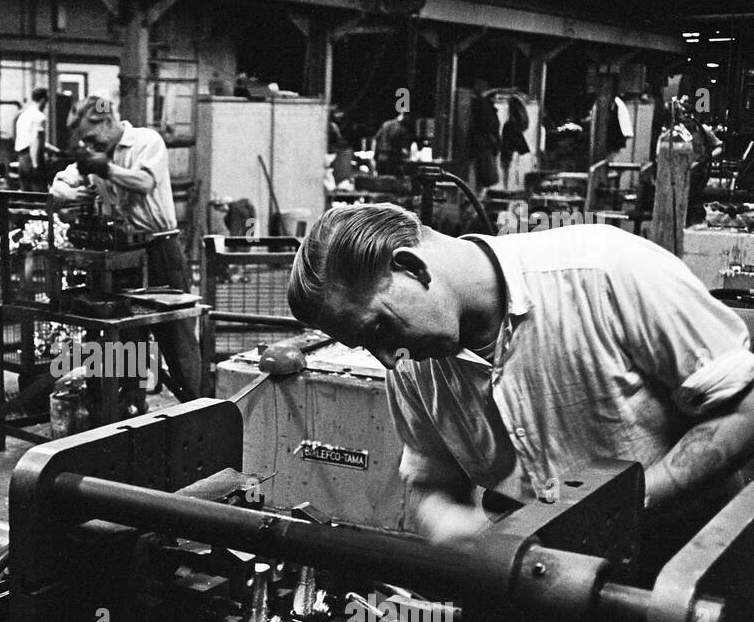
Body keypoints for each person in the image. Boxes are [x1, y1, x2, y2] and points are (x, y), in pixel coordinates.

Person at [287, 202, 754, 569]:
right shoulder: (410, 362)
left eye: (378, 331)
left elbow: (743, 411)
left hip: (683, 557)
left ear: (411, 267)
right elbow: (431, 485)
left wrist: (626, 503)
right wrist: (451, 525)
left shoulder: (608, 270)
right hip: (537, 573)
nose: (388, 360)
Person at [49, 96, 204, 403]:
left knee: (176, 334)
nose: (89, 144)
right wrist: (71, 190)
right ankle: (132, 406)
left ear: (106, 122)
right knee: (129, 337)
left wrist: (106, 170)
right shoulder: (97, 154)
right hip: (124, 257)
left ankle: (196, 407)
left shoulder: (146, 142)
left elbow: (144, 182)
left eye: (91, 137)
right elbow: (57, 186)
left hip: (161, 249)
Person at [14, 88, 50, 191]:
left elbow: (30, 140)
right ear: (43, 100)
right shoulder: (40, 117)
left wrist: (57, 151)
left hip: (22, 160)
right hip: (33, 158)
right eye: (46, 102)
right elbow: (35, 141)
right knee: (40, 196)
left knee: (26, 197)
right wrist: (35, 165)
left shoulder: (22, 116)